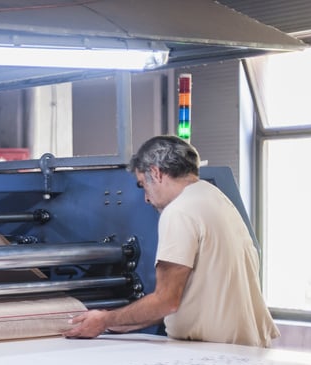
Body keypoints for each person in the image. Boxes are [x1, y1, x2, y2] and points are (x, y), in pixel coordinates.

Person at [64, 135, 279, 348]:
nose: (146, 198)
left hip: (213, 354)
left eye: (142, 186)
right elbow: (176, 303)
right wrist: (114, 325)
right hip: (245, 349)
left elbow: (166, 301)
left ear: (155, 173)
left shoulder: (179, 211)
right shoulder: (216, 198)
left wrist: (104, 320)